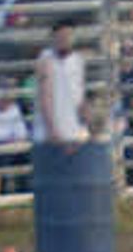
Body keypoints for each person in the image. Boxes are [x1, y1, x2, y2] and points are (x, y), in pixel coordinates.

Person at [34, 18, 92, 153]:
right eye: (60, 36)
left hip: (73, 134)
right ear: (53, 37)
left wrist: (87, 126)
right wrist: (52, 131)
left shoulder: (78, 60)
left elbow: (80, 96)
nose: (65, 39)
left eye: (68, 36)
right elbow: (45, 99)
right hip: (48, 136)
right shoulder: (45, 60)